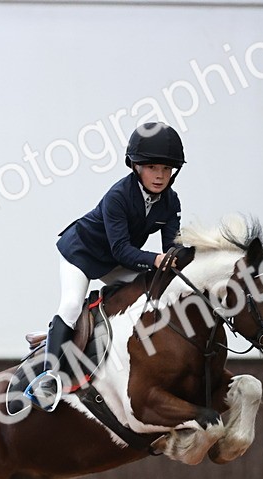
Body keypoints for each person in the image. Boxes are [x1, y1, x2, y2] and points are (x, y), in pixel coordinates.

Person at [26, 121, 192, 411]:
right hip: (81, 252)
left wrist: (187, 255)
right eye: (153, 167)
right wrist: (155, 260)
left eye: (167, 169)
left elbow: (171, 246)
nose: (160, 175)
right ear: (136, 167)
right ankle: (47, 377)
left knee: (151, 285)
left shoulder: (170, 201)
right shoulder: (118, 196)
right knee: (71, 304)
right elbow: (121, 249)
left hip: (115, 259)